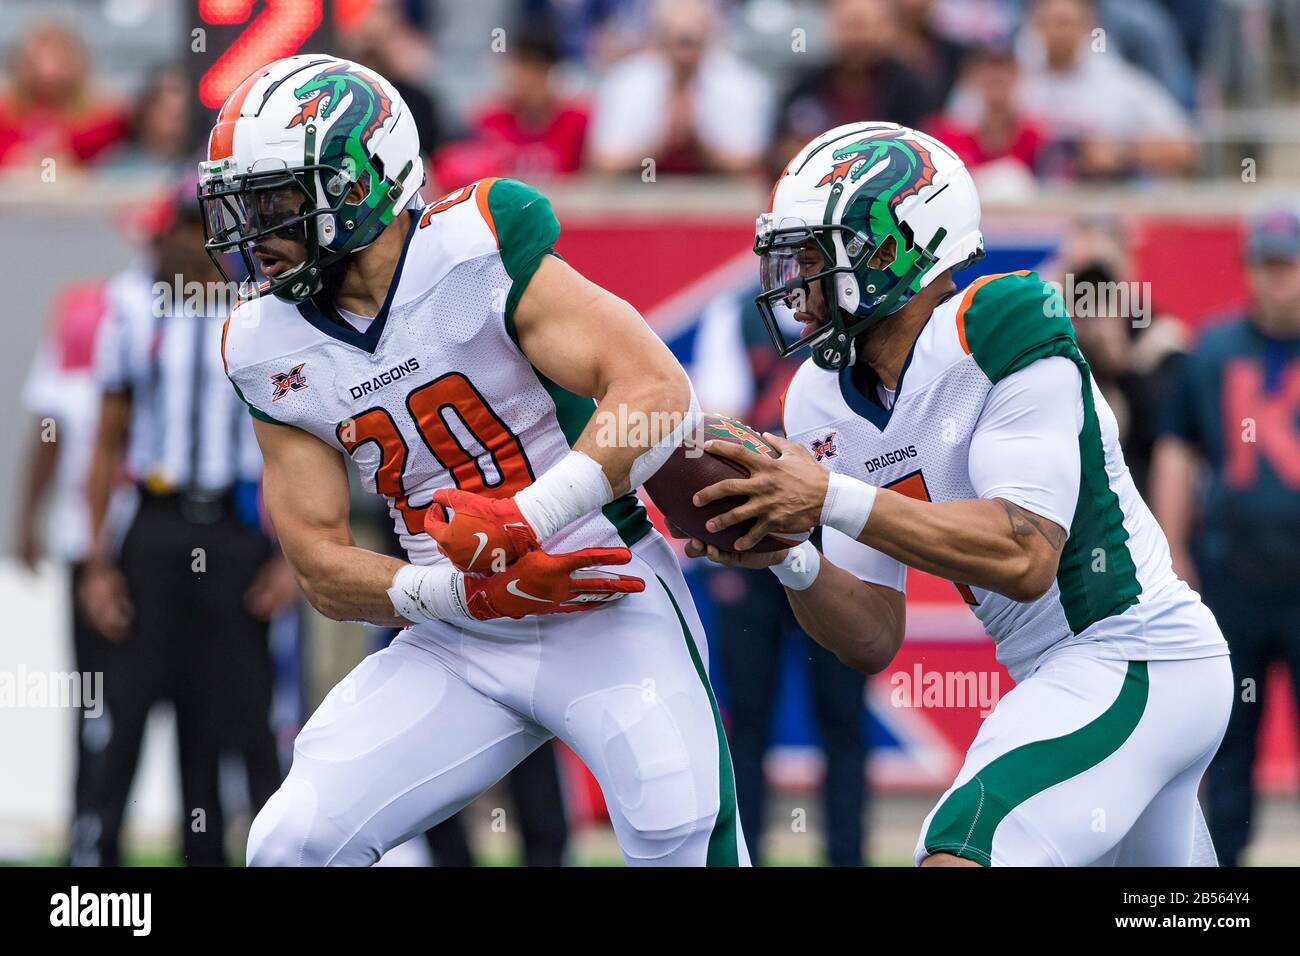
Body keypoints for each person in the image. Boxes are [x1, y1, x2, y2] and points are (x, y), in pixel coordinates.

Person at [199, 55, 746, 866]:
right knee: (292, 841)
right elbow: (317, 562)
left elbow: (658, 389)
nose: (251, 228)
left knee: (680, 836)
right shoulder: (263, 343)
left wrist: (526, 520)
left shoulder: (477, 243)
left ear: (357, 184)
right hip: (456, 627)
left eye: (273, 199)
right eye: (240, 201)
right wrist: (465, 592)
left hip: (606, 590)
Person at [682, 121, 1231, 866]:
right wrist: (790, 558)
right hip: (1066, 673)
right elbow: (873, 636)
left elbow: (1024, 551)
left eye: (813, 254)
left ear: (891, 249)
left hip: (1135, 655)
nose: (794, 287)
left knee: (962, 848)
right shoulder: (819, 398)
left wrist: (827, 498)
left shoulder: (1000, 321)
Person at [79, 181, 297, 865]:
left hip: (234, 531)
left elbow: (295, 444)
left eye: (169, 231)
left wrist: (290, 555)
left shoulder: (261, 309)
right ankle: (98, 877)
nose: (157, 246)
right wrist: (97, 560)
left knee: (242, 719)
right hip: (155, 523)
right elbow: (107, 438)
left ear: (199, 233)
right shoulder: (129, 305)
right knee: (130, 712)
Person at [691, 284, 868, 866]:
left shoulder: (862, 310)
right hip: (758, 527)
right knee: (749, 719)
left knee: (841, 718)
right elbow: (716, 428)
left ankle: (846, 858)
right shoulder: (737, 312)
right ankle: (745, 855)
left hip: (835, 525)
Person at [1150, 207, 1300, 866]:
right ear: (1249, 271)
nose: (1279, 283)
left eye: (1288, 267)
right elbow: (1178, 452)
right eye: (1268, 268)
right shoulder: (1213, 349)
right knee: (1227, 744)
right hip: (1231, 576)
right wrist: (1172, 551)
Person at [13, 280, 112, 865]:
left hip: (159, 545)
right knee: (94, 704)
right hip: (89, 546)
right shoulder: (87, 316)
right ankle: (90, 844)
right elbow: (50, 430)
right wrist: (29, 518)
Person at [586, 0, 771, 175]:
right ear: (660, 38)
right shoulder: (625, 82)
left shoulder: (743, 84)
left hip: (723, 198)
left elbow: (752, 161)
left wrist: (699, 143)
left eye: (692, 42)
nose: (685, 54)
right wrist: (659, 145)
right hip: (639, 196)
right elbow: (603, 161)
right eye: (679, 41)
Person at [1017, 0, 1197, 179]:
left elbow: (1185, 147)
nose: (1057, 32)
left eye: (1065, 23)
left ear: (1089, 26)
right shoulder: (1014, 84)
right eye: (1047, 22)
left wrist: (1123, 153)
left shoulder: (1117, 85)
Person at [768, 0, 940, 179]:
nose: (858, 38)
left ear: (888, 30)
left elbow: (922, 149)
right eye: (849, 26)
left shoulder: (910, 88)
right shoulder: (805, 87)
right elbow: (781, 152)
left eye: (865, 26)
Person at [0, 20, 128, 170]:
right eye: (36, 62)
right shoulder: (5, 114)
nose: (47, 72)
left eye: (59, 62)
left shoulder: (106, 119)